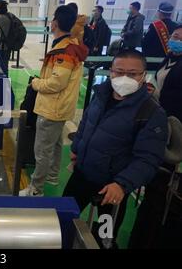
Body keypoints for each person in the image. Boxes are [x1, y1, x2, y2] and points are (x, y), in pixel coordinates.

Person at [63, 50, 168, 247]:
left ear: (143, 76)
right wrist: (77, 148)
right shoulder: (101, 95)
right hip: (82, 174)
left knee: (105, 235)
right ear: (111, 72)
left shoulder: (151, 112)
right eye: (119, 72)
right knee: (64, 218)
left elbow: (148, 158)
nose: (124, 78)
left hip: (111, 188)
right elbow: (86, 122)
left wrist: (122, 184)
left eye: (133, 73)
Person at [20, 5, 89, 197]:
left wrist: (35, 83)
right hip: (61, 107)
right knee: (56, 143)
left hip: (53, 107)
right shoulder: (70, 44)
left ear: (55, 23)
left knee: (42, 150)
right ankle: (51, 176)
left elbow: (56, 83)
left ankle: (36, 189)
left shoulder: (64, 51)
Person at [129, 26, 182, 249]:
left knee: (163, 178)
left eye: (179, 38)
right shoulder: (168, 60)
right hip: (159, 120)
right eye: (173, 36)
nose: (173, 40)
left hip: (174, 126)